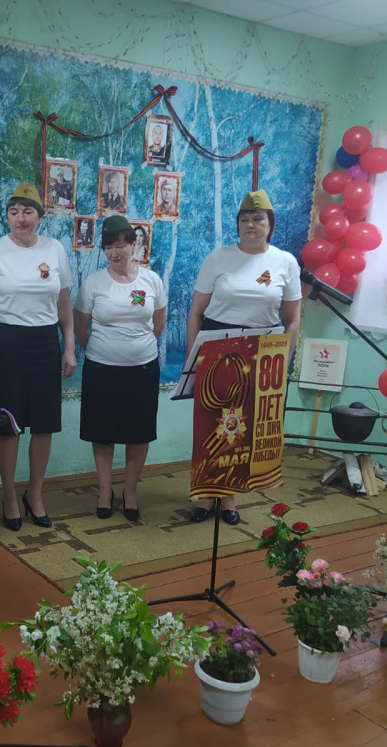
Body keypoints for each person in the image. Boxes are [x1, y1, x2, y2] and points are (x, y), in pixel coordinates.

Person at [185, 189, 301, 526]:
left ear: (270, 224)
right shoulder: (218, 258)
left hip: (261, 352)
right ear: (237, 225)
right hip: (216, 348)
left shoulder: (285, 262)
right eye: (245, 219)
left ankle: (230, 497)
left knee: (242, 428)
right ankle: (205, 495)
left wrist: (282, 362)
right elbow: (196, 313)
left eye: (258, 219)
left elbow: (292, 320)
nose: (251, 225)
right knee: (211, 424)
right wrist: (194, 361)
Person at [0, 183, 76, 530]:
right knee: (10, 427)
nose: (21, 218)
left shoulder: (55, 249)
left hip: (45, 343)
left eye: (28, 212)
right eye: (14, 212)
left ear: (39, 216)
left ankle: (35, 494)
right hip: (5, 344)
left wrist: (69, 346)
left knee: (44, 425)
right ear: (8, 215)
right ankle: (9, 496)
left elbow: (64, 303)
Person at [74, 215, 167, 522]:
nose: (114, 253)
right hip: (102, 370)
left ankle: (130, 492)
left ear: (133, 244)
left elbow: (159, 321)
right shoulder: (94, 283)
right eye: (108, 247)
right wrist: (101, 349)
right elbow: (80, 326)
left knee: (138, 433)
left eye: (120, 245)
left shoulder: (151, 280)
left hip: (142, 370)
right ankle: (105, 492)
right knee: (102, 433)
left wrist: (139, 346)